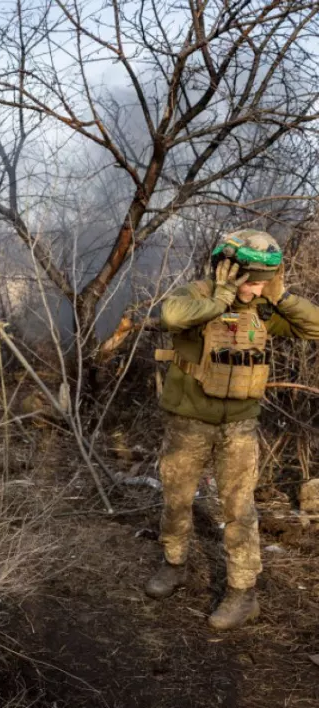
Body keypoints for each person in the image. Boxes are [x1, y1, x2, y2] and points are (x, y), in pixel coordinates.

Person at [147, 230, 319, 630]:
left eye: (261, 280)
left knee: (239, 509)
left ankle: (243, 594)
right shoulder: (200, 293)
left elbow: (315, 327)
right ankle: (173, 564)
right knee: (176, 499)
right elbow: (172, 316)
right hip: (189, 420)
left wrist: (279, 296)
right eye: (249, 278)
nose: (253, 287)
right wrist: (221, 296)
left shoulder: (264, 308)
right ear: (228, 269)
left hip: (239, 424)